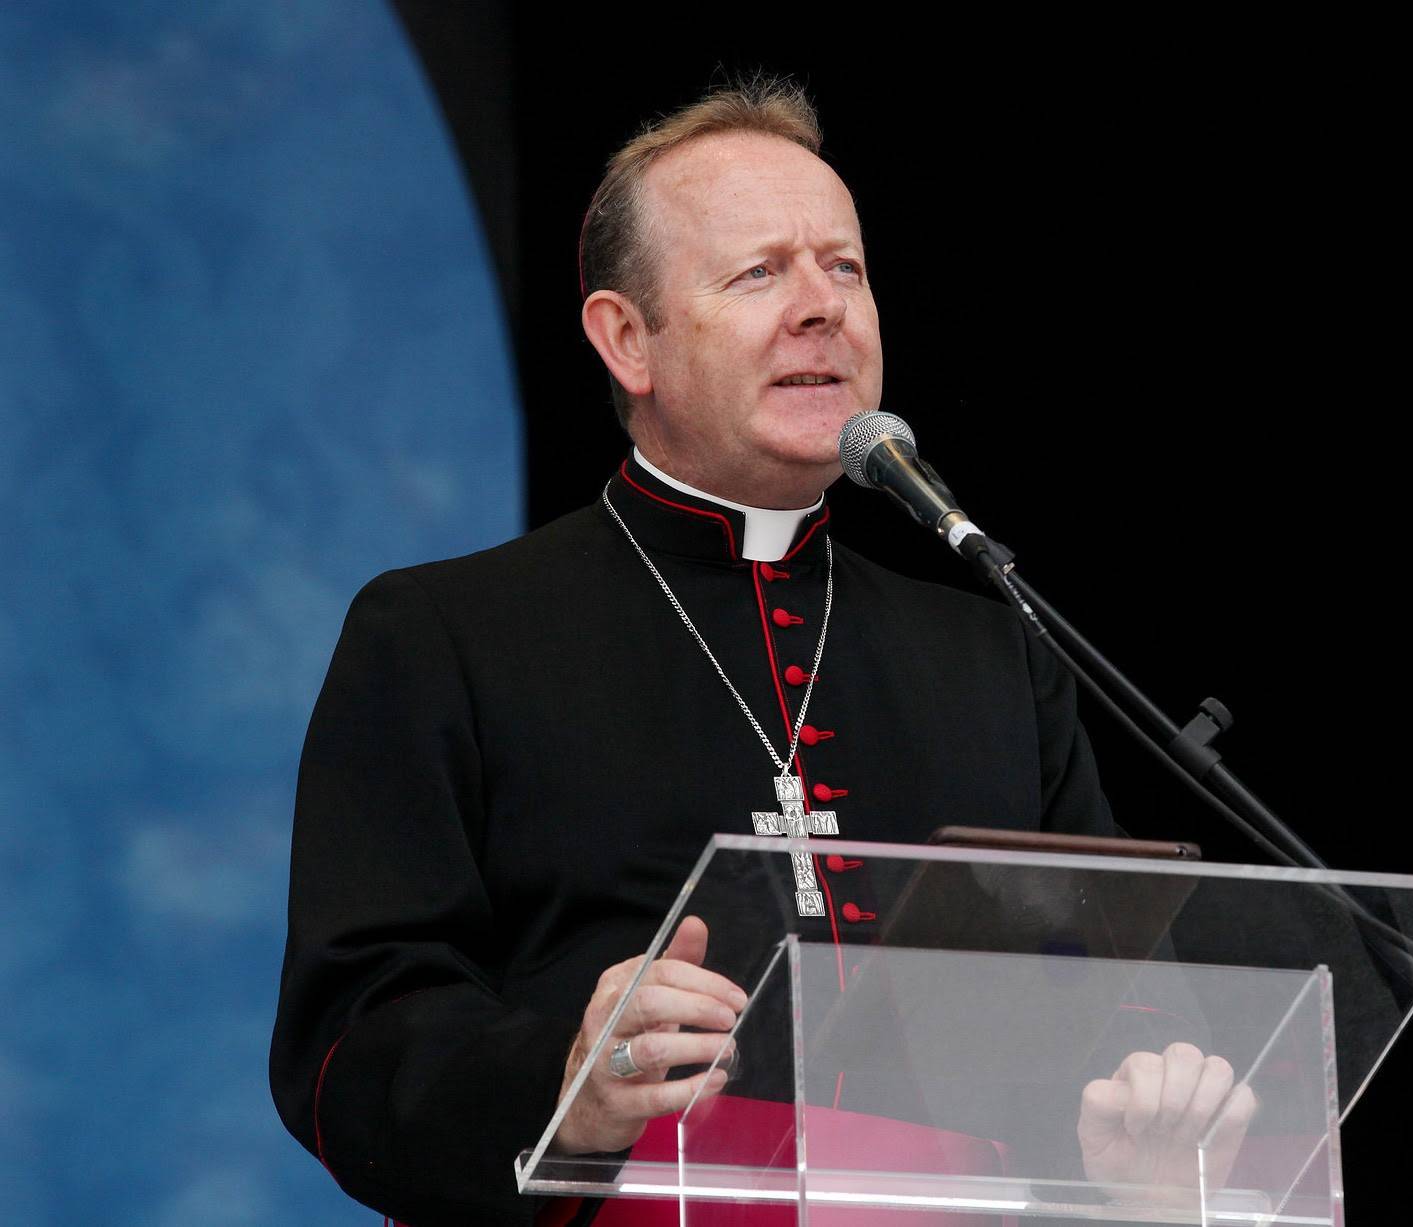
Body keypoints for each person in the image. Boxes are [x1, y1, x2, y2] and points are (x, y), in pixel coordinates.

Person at [271, 78, 1249, 1227]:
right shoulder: (446, 634)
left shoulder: (990, 653)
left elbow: (1122, 1004)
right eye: (758, 272)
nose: (821, 307)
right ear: (624, 338)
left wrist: (1149, 1126)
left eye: (843, 266)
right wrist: (565, 1086)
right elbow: (351, 1042)